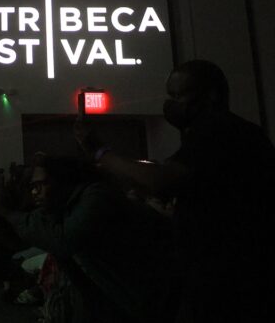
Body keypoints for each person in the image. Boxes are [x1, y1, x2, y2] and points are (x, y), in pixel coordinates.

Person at [77, 60, 275, 322]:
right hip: (219, 273)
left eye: (179, 95)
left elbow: (161, 180)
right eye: (170, 95)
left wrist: (101, 152)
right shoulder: (217, 134)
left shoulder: (221, 132)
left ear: (210, 95)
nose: (171, 103)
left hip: (233, 278)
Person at [0, 154, 179, 323]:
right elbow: (25, 238)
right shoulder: (63, 208)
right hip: (125, 298)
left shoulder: (96, 195)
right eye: (33, 186)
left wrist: (8, 212)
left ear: (62, 180)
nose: (35, 192)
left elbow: (63, 240)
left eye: (42, 184)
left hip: (159, 292)